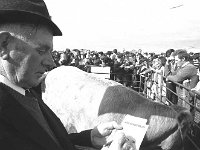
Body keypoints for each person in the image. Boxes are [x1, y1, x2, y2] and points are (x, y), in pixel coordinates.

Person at [0, 0, 134, 150]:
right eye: (41, 51)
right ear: (4, 45)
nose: (51, 63)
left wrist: (89, 138)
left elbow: (46, 141)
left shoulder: (26, 89)